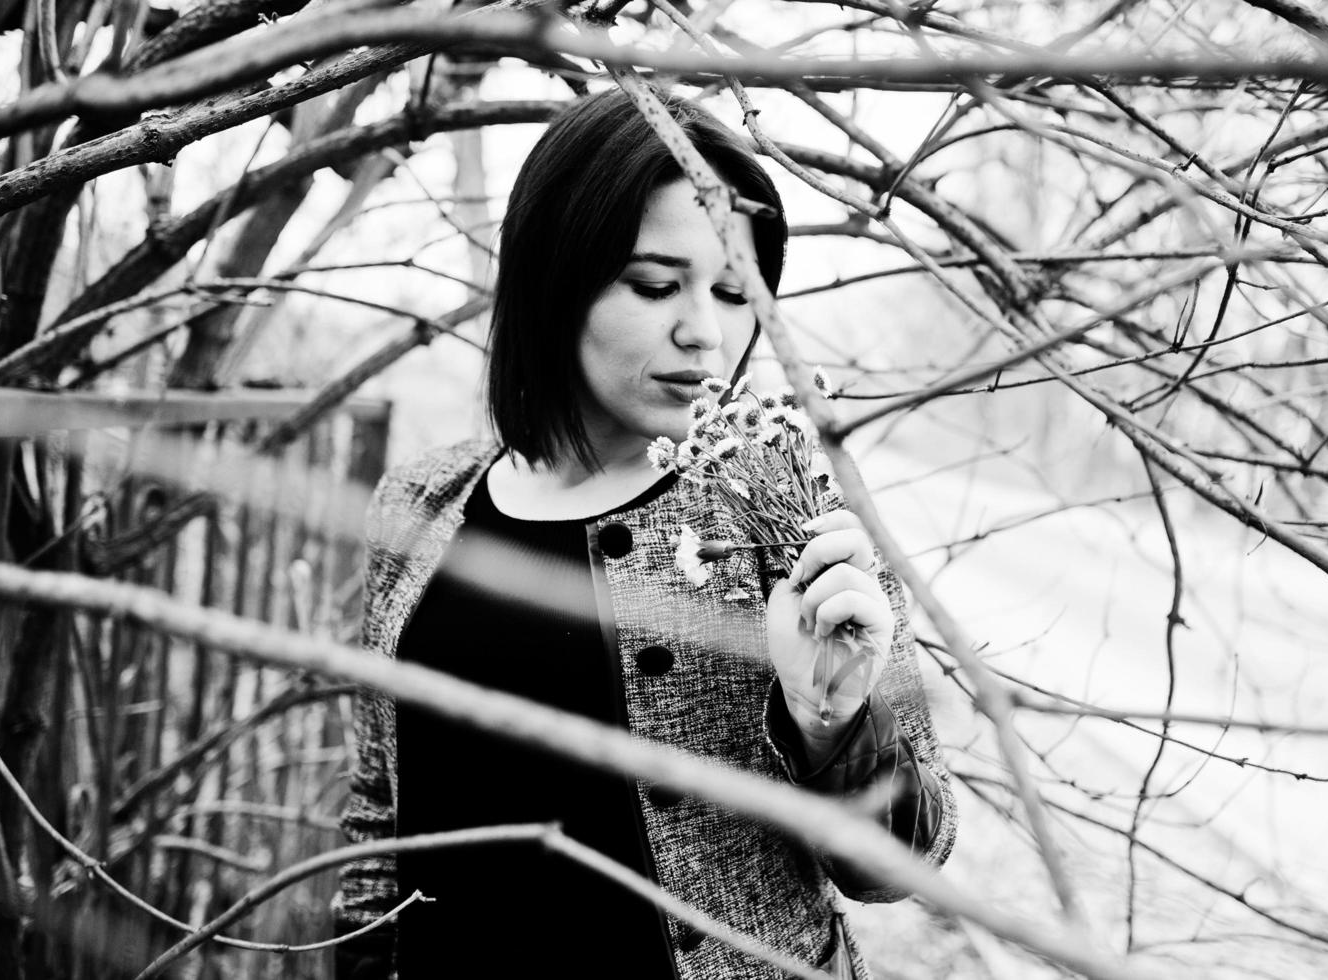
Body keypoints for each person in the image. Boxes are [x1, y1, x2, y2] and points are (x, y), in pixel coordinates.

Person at [332, 87, 956, 980]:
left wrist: (833, 724)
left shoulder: (789, 521)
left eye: (736, 293)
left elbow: (904, 864)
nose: (703, 331)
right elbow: (377, 818)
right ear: (556, 278)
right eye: (655, 284)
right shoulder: (424, 504)